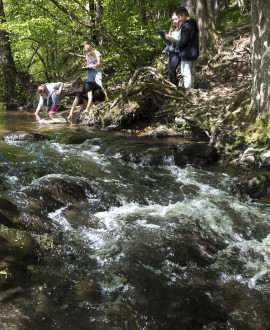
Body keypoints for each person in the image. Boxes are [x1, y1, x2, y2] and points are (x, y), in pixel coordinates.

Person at [173, 7, 199, 88]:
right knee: (189, 73)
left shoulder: (186, 25)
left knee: (185, 73)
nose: (179, 20)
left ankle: (189, 93)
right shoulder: (194, 24)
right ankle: (192, 91)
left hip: (187, 53)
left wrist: (175, 44)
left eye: (179, 17)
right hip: (193, 52)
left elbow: (184, 41)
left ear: (183, 15)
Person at [164, 12, 183, 86]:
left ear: (179, 18)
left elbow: (182, 41)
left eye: (175, 19)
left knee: (172, 71)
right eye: (172, 20)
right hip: (171, 52)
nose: (174, 21)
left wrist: (171, 38)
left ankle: (175, 89)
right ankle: (174, 88)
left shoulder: (182, 29)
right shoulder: (172, 30)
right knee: (171, 72)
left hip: (177, 52)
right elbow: (169, 43)